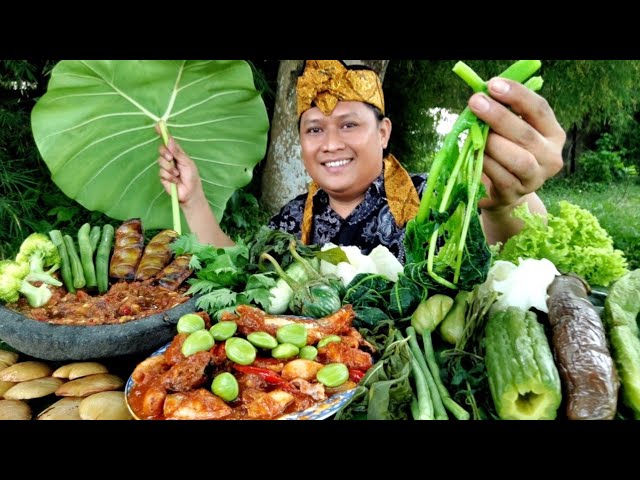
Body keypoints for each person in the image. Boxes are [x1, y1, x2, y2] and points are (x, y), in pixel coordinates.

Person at [157, 60, 565, 263]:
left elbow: (509, 251)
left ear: (383, 133)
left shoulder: (435, 197)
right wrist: (193, 199)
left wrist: (509, 202)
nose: (330, 143)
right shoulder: (294, 217)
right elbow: (245, 271)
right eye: (314, 129)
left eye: (348, 124)